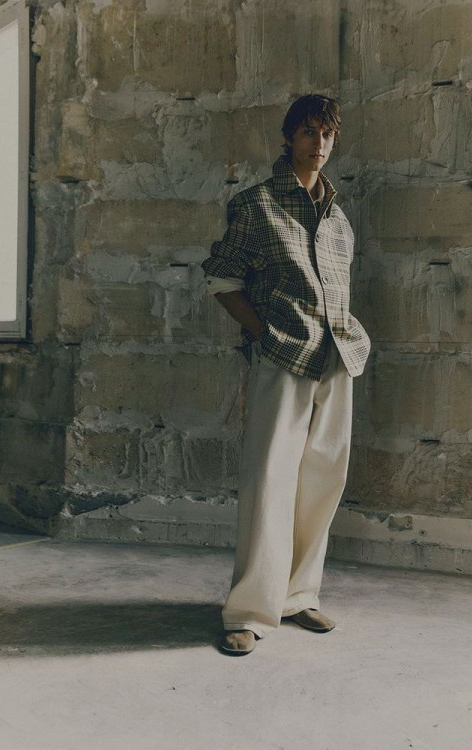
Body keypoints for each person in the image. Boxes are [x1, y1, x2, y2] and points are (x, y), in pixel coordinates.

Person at [201, 94, 370, 656]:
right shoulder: (257, 205)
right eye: (309, 132)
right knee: (269, 480)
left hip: (337, 358)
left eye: (327, 134)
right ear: (289, 137)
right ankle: (249, 611)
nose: (319, 144)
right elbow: (222, 278)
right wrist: (264, 334)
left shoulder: (339, 218)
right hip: (284, 357)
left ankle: (298, 596)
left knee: (323, 480)